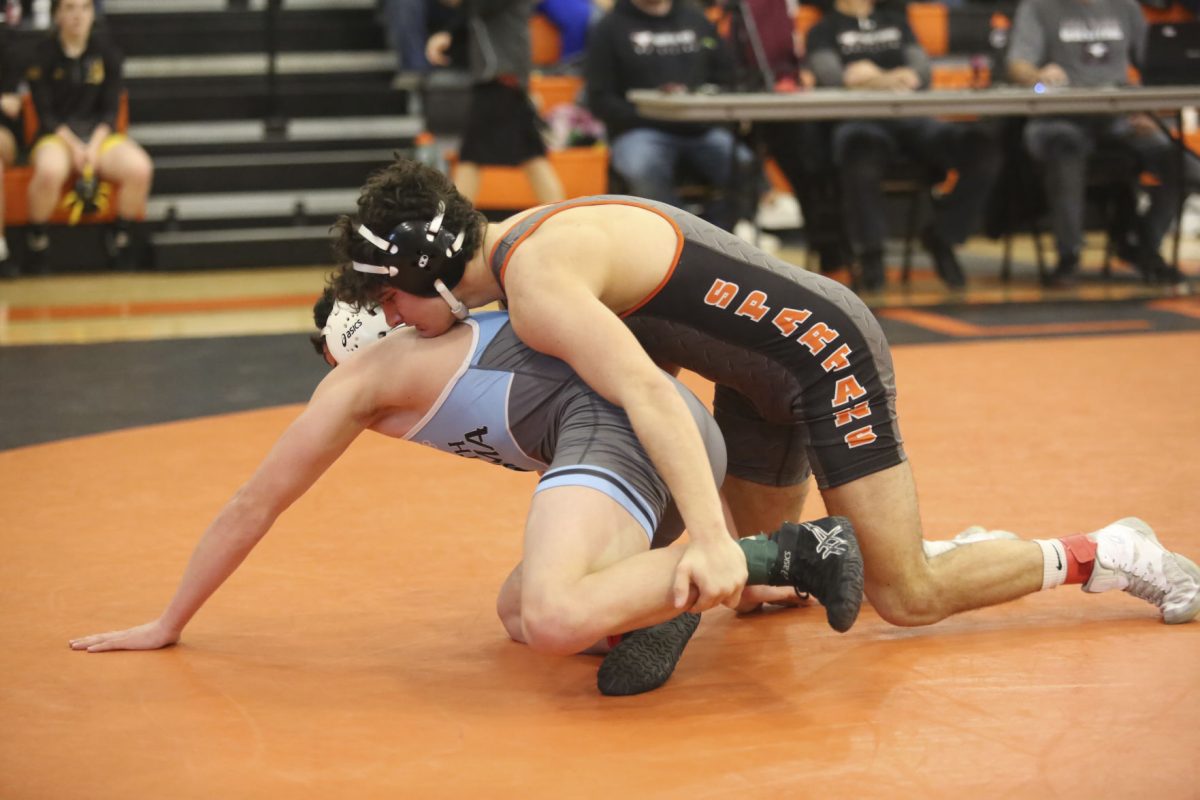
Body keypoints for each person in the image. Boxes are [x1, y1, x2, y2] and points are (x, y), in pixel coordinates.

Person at [330, 158, 1200, 633]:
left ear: (419, 274)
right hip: (753, 377)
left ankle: (1106, 551)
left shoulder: (536, 281)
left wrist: (700, 533)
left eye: (392, 304)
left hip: (823, 355)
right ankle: (947, 546)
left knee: (907, 599)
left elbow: (646, 395)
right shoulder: (526, 257)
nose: (398, 323)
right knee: (752, 588)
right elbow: (647, 389)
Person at [69, 291, 867, 697]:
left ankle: (790, 550)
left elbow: (255, 502)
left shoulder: (367, 378)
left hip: (628, 429)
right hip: (661, 437)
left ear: (342, 351)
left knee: (552, 615)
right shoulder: (426, 338)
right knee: (516, 614)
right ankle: (684, 591)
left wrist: (170, 622)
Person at [805, 0, 1002, 291]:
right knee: (857, 153)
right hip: (860, 120)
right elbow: (833, 77)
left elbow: (922, 72)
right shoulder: (822, 29)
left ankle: (944, 235)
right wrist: (891, 78)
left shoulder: (895, 20)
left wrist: (871, 77)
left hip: (913, 118)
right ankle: (871, 253)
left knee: (981, 148)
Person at [1006, 0, 1194, 287]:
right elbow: (1018, 65)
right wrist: (1038, 78)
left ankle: (1143, 243)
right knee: (1066, 147)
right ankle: (1068, 256)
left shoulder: (1125, 6)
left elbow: (1154, 63)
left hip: (1117, 119)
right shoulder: (1038, 7)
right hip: (1058, 118)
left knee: (1184, 166)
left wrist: (1146, 107)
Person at [583, 0, 757, 232]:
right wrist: (649, 115)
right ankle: (676, 238)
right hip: (639, 130)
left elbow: (726, 75)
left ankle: (715, 237)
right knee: (643, 166)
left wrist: (706, 109)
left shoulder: (697, 20)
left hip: (701, 128)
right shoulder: (609, 27)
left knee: (744, 164)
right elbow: (599, 98)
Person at [24, 0, 153, 271]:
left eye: (84, 8)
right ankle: (37, 239)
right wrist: (75, 147)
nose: (77, 16)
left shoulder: (108, 53)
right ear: (57, 14)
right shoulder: (41, 54)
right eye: (69, 8)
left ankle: (119, 235)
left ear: (93, 14)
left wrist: (92, 147)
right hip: (56, 136)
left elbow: (110, 111)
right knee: (49, 171)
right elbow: (46, 115)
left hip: (99, 135)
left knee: (140, 168)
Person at [425, 0, 565, 206]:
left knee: (471, 158)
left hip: (500, 83)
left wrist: (447, 33)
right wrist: (448, 33)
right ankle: (561, 214)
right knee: (531, 157)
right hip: (505, 82)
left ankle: (455, 222)